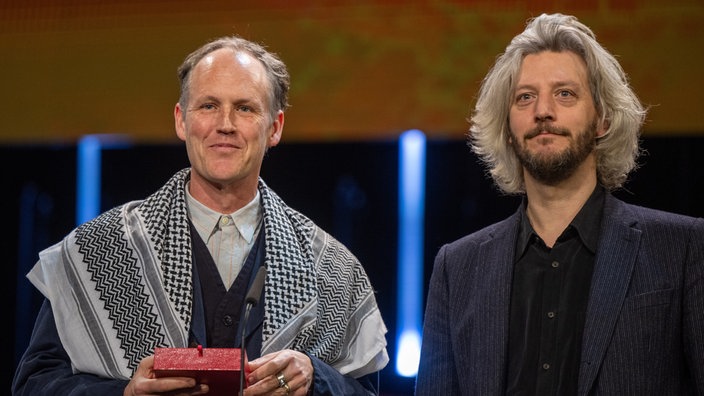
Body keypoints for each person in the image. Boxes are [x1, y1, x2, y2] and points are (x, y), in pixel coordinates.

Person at [12, 35, 389, 396]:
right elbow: (34, 384)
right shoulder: (100, 251)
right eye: (208, 105)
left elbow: (365, 390)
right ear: (181, 120)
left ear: (274, 127)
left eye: (244, 108)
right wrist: (124, 392)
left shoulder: (332, 269)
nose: (225, 124)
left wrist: (315, 377)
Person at [416, 13, 704, 396]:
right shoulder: (458, 267)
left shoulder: (682, 248)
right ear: (508, 125)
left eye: (565, 93)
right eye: (525, 97)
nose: (543, 111)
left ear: (602, 119)